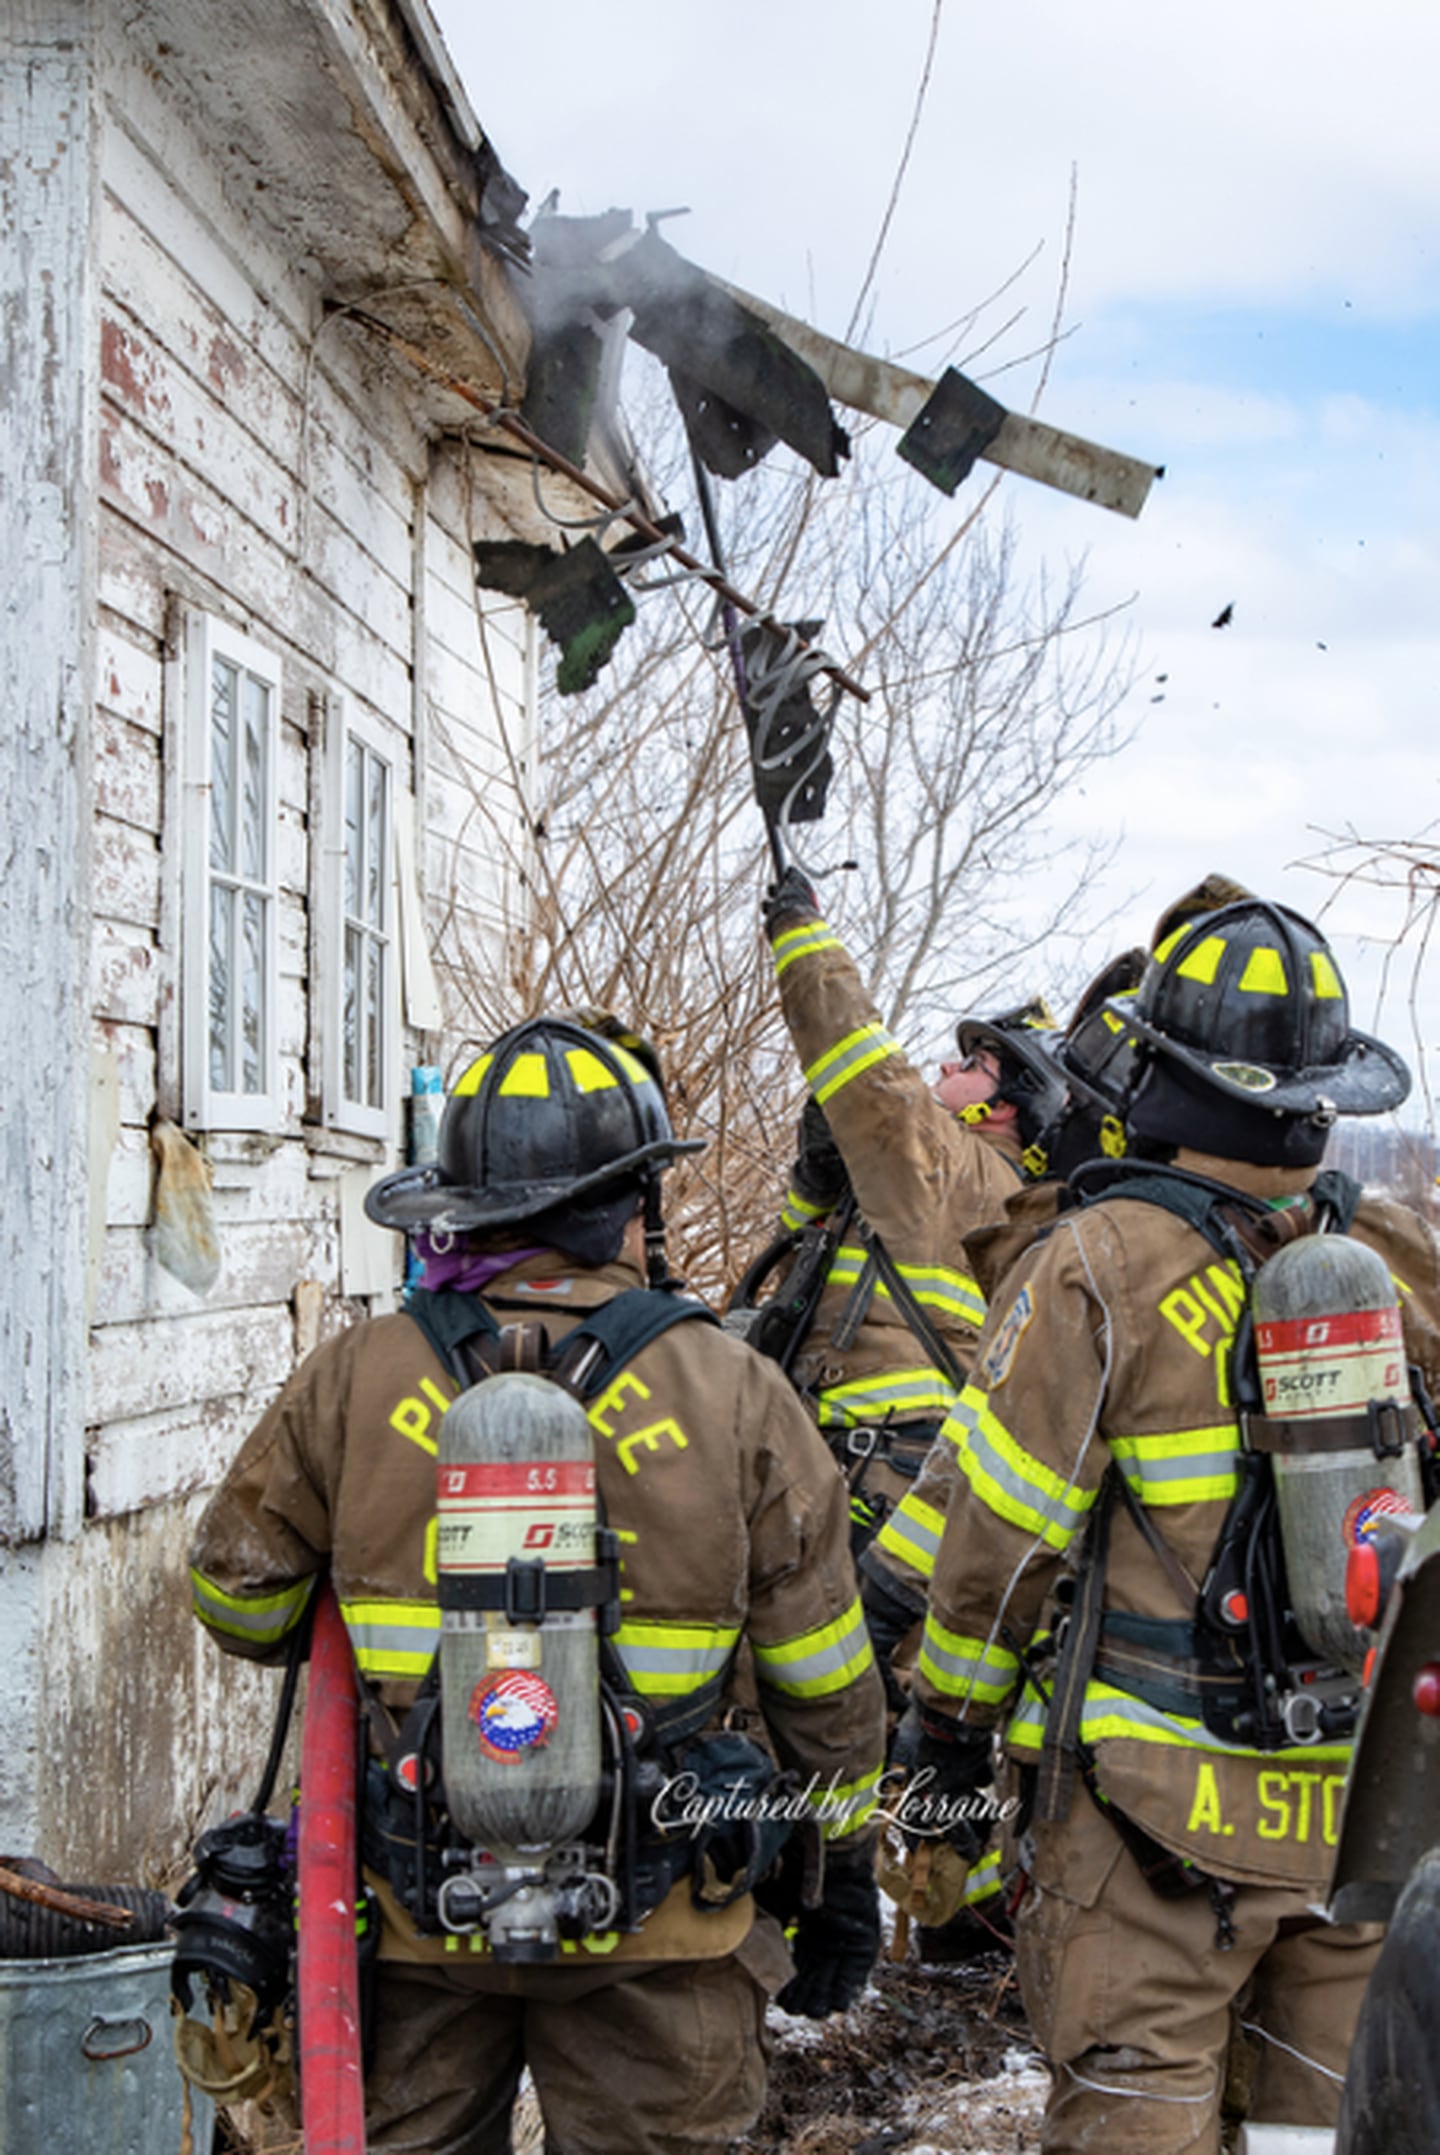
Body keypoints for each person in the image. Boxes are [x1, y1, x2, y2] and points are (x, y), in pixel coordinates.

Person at [190, 1015, 887, 2155]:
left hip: (412, 1921)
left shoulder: (358, 1377)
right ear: (634, 1204)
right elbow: (828, 1687)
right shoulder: (736, 1391)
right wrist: (841, 1865)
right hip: (664, 1930)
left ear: (460, 1202)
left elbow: (237, 1599)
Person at [906, 896, 1440, 2152]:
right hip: (1360, 1822)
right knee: (1326, 2129)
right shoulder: (1401, 1257)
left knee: (1136, 2115)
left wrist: (946, 1738)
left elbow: (1003, 1547)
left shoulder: (1097, 1262)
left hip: (1155, 1837)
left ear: (1156, 1067)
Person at [755, 865, 1063, 1564]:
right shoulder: (993, 1195)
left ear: (1007, 1104)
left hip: (869, 1465)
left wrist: (802, 933)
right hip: (888, 1470)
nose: (947, 1072)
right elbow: (795, 1277)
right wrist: (816, 1183)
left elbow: (866, 1067)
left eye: (974, 1064)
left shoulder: (951, 1162)